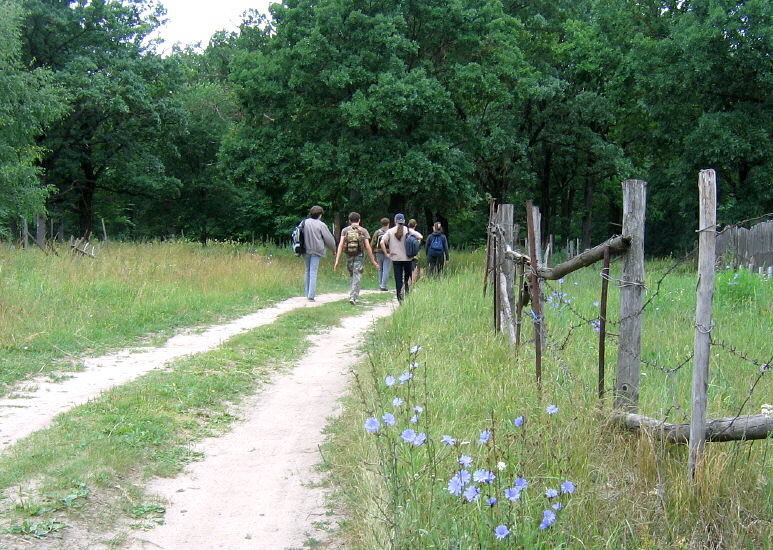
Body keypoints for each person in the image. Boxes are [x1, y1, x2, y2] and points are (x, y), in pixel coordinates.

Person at [334, 212, 379, 305]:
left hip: (348, 255)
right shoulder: (363, 230)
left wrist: (337, 260)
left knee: (352, 274)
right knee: (357, 274)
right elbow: (367, 246)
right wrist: (373, 260)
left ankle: (353, 295)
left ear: (349, 220)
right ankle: (354, 296)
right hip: (360, 255)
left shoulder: (345, 230)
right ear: (359, 220)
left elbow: (341, 245)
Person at [380, 213, 422, 302]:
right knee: (407, 278)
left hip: (396, 259)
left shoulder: (390, 231)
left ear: (395, 221)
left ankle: (400, 298)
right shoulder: (408, 230)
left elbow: (382, 242)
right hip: (408, 258)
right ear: (403, 221)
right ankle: (407, 293)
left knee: (398, 279)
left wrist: (387, 254)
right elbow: (420, 236)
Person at [302, 205, 336, 301]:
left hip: (305, 249)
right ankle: (311, 295)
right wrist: (334, 250)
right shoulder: (321, 225)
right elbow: (329, 239)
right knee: (313, 271)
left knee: (307, 270)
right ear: (320, 215)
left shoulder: (304, 222)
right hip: (317, 250)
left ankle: (307, 292)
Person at [371, 217, 392, 291]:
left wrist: (373, 252)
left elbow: (373, 243)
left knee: (380, 269)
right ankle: (383, 286)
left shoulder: (377, 232)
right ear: (388, 224)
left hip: (378, 252)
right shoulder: (391, 232)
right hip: (389, 252)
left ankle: (381, 284)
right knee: (386, 269)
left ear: (381, 224)